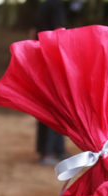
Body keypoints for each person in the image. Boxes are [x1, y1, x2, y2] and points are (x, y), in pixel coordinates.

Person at [32, 0, 67, 165]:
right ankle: (49, 151)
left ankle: (54, 148)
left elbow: (34, 32)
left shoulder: (45, 5)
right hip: (52, 59)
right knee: (55, 106)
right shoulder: (55, 5)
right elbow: (59, 34)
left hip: (43, 58)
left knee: (50, 106)